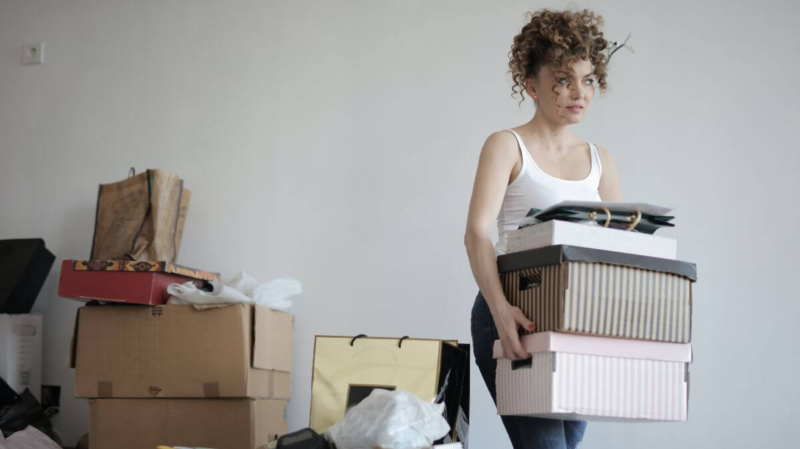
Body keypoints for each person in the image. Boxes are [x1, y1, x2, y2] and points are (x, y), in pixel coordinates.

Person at [464, 8, 622, 449]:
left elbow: (615, 251)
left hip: (579, 324)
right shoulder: (506, 145)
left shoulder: (600, 160)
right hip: (514, 313)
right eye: (564, 79)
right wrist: (499, 312)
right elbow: (477, 233)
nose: (580, 92)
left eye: (588, 79)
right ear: (532, 85)